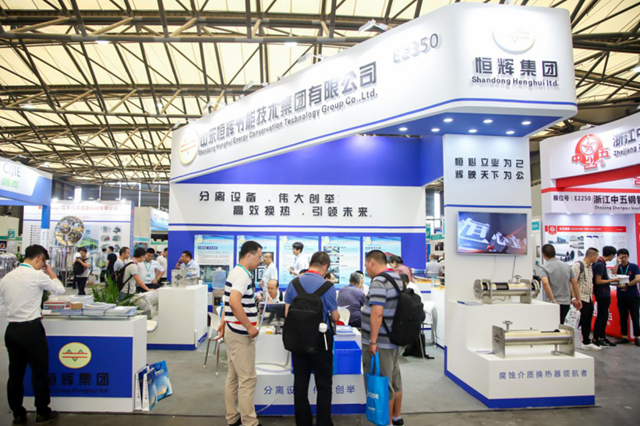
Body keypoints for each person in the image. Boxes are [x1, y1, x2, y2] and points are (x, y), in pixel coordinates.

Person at [0, 245, 64, 425]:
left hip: (12, 330)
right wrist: (50, 272)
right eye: (43, 263)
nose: (42, 266)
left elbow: (2, 306)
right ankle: (42, 411)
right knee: (39, 372)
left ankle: (18, 414)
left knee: (15, 373)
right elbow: (59, 290)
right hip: (32, 330)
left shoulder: (7, 277)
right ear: (39, 259)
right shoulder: (37, 275)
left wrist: (18, 313)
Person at [284, 251, 339, 426]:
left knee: (300, 383)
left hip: (298, 340)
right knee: (324, 384)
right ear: (325, 267)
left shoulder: (294, 283)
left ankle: (303, 422)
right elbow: (335, 317)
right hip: (321, 341)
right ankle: (323, 422)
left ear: (310, 264)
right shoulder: (328, 287)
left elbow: (287, 313)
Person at [218, 241, 264, 426]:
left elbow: (227, 300)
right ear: (249, 255)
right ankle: (249, 422)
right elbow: (234, 302)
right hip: (240, 334)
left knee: (234, 377)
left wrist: (223, 322)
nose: (260, 261)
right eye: (259, 257)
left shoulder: (236, 272)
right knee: (247, 379)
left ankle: (233, 417)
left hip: (233, 330)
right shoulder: (242, 276)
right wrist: (250, 327)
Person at [362, 250, 404, 426]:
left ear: (372, 261)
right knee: (394, 380)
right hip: (392, 340)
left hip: (380, 342)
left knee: (382, 383)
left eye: (366, 264)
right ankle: (396, 417)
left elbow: (377, 313)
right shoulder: (395, 277)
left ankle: (386, 423)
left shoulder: (379, 281)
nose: (366, 268)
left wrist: (373, 341)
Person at [539, 244, 582, 324]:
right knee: (561, 324)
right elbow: (575, 282)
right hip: (565, 302)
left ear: (543, 254)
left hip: (551, 303)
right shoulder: (566, 266)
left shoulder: (544, 267)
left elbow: (545, 283)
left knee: (550, 325)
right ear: (554, 252)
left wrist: (552, 299)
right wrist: (578, 299)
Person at [571, 248, 601, 351]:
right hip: (580, 299)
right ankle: (569, 341)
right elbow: (572, 282)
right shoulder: (578, 265)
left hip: (588, 298)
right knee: (577, 321)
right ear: (591, 256)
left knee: (587, 321)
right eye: (596, 256)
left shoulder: (590, 267)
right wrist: (574, 298)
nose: (597, 258)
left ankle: (586, 341)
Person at [592, 245, 620, 347]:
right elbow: (598, 281)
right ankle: (596, 338)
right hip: (602, 293)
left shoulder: (600, 263)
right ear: (611, 255)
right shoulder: (600, 264)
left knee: (604, 316)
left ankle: (602, 337)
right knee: (602, 316)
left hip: (603, 292)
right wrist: (612, 280)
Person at [612, 248, 640, 346]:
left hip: (633, 296)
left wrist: (627, 285)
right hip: (621, 296)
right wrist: (617, 263)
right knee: (623, 317)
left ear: (628, 257)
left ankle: (637, 337)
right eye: (621, 257)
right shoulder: (618, 267)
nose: (623, 259)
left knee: (635, 317)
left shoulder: (633, 266)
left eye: (625, 257)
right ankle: (624, 336)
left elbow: (638, 279)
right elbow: (613, 275)